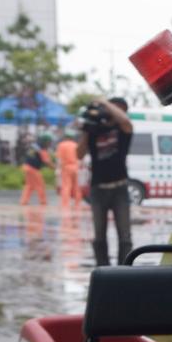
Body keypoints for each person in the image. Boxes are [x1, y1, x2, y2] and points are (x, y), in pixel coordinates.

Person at [78, 97, 134, 265]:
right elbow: (78, 154)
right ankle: (103, 272)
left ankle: (124, 272)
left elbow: (125, 121)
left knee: (125, 235)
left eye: (118, 109)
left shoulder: (123, 130)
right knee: (99, 236)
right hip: (98, 189)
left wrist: (104, 103)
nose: (113, 112)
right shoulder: (95, 129)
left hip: (120, 188)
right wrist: (86, 130)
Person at [19, 135, 51, 206]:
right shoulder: (42, 149)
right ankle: (43, 202)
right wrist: (55, 168)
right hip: (33, 169)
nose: (49, 144)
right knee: (40, 185)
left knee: (29, 185)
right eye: (49, 142)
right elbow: (47, 161)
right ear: (45, 141)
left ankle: (24, 201)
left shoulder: (34, 146)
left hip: (26, 166)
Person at [55, 132, 83, 207]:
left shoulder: (61, 145)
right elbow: (79, 158)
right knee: (76, 186)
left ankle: (65, 204)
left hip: (66, 167)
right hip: (76, 167)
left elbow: (59, 159)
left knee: (66, 186)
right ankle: (77, 203)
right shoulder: (76, 145)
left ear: (65, 137)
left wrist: (57, 168)